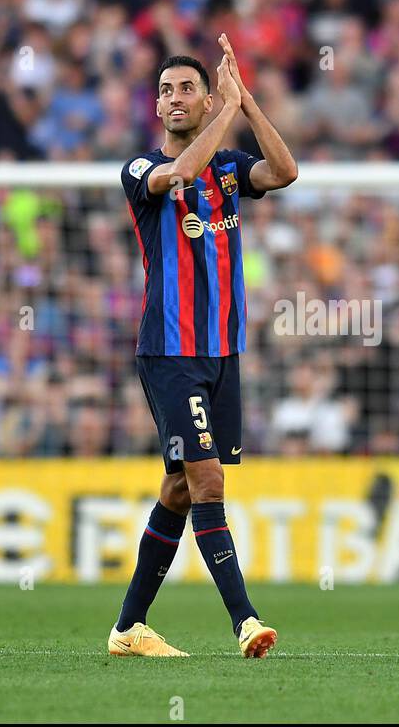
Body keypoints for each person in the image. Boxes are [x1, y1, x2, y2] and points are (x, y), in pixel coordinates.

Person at [110, 35, 298, 658]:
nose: (174, 98)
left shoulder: (230, 168)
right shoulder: (140, 171)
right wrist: (223, 110)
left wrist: (244, 103)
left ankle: (128, 627)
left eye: (186, 87)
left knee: (180, 490)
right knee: (209, 480)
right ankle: (245, 620)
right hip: (169, 353)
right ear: (156, 107)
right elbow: (181, 171)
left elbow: (285, 171)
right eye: (165, 91)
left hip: (223, 352)